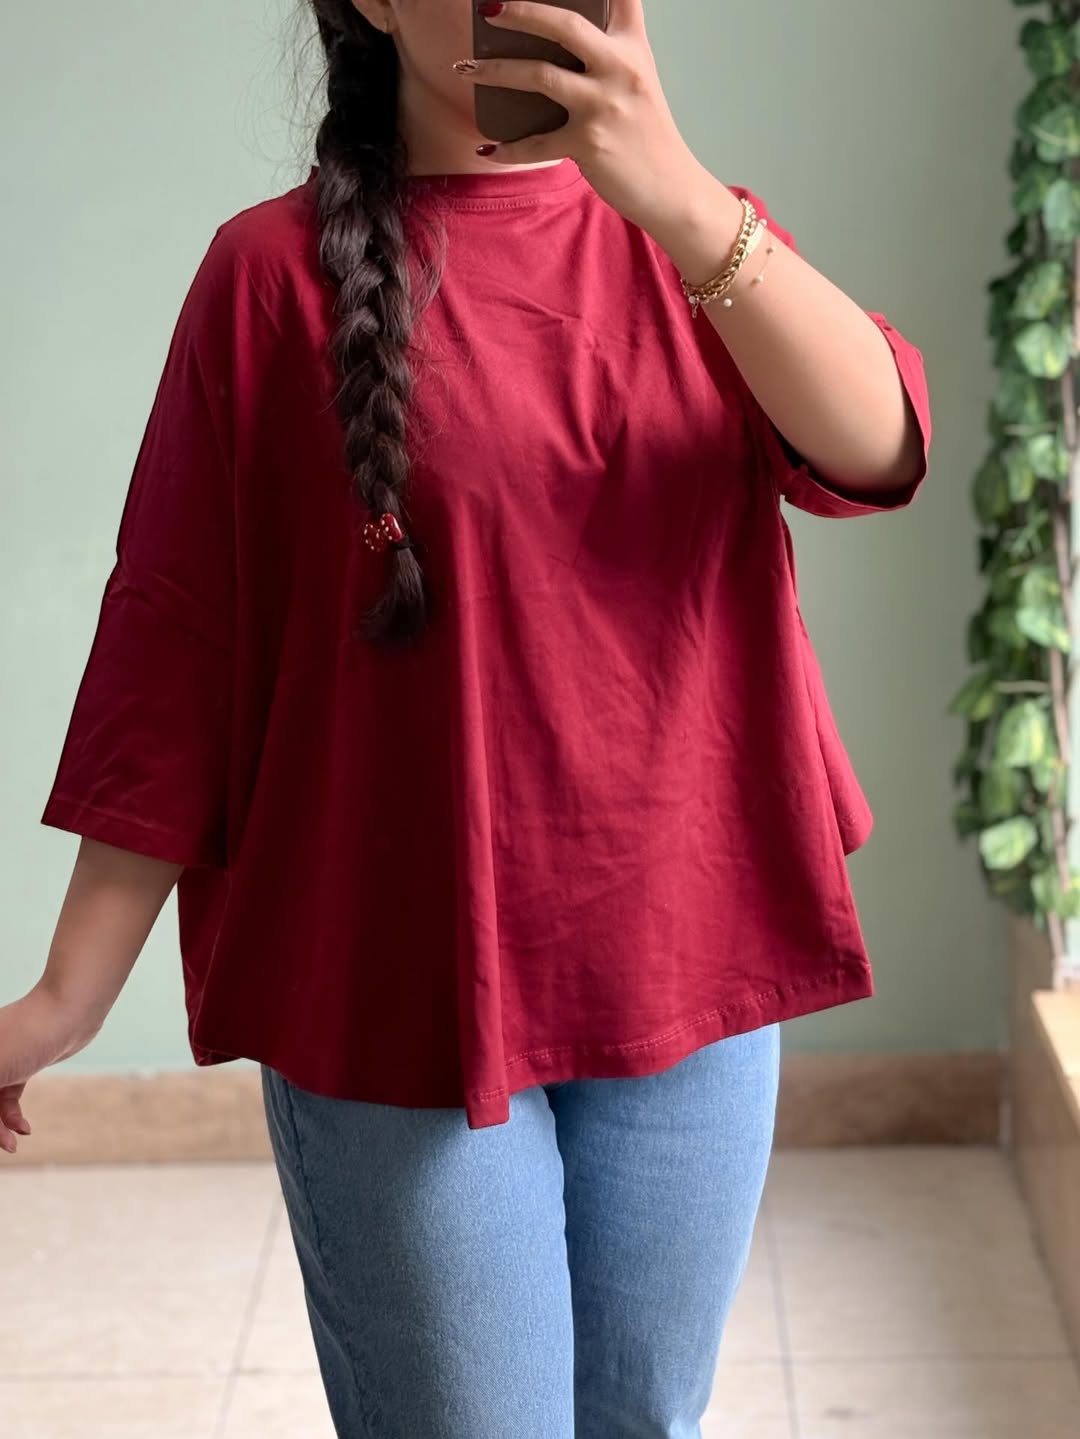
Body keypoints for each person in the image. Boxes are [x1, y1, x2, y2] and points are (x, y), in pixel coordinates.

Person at [2, 1, 931, 1435]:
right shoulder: (267, 278)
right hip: (395, 993)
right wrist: (65, 1002)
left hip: (690, 952)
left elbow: (878, 449)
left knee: (646, 1423)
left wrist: (680, 198)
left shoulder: (699, 244)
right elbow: (177, 648)